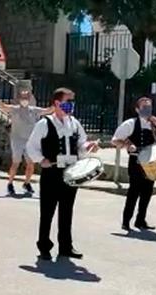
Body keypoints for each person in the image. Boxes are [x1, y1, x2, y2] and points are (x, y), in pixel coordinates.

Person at [26, 88, 99, 260]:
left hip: (71, 172)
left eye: (72, 102)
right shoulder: (44, 123)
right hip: (51, 173)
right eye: (68, 102)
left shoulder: (74, 123)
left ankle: (66, 246)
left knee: (67, 211)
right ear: (57, 103)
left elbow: (81, 144)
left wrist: (89, 146)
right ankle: (44, 246)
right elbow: (31, 146)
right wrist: (40, 159)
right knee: (47, 211)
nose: (71, 106)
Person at [111, 97, 156, 231]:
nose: (147, 110)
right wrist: (127, 145)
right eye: (144, 107)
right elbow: (115, 140)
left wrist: (154, 119)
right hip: (136, 162)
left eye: (149, 107)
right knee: (134, 191)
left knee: (147, 192)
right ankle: (126, 221)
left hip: (151, 163)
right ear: (137, 109)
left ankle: (141, 220)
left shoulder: (153, 124)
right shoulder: (130, 123)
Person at [0, 89, 53, 195]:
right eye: (22, 98)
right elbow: (4, 107)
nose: (24, 100)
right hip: (17, 140)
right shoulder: (15, 109)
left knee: (31, 164)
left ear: (29, 98)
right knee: (16, 163)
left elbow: (48, 110)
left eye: (26, 97)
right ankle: (10, 183)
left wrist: (57, 104)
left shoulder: (34, 110)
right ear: (19, 99)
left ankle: (27, 183)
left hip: (29, 141)